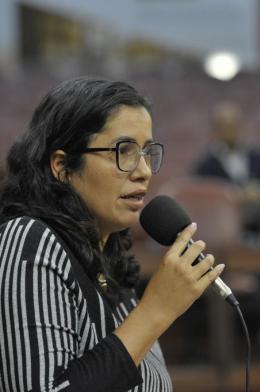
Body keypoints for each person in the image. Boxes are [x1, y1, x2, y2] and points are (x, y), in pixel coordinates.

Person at [0, 77, 225, 392]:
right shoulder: (29, 239)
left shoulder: (109, 257)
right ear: (62, 166)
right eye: (124, 150)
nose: (144, 170)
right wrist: (155, 310)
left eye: (147, 152)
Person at [193, 101, 260, 240]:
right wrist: (233, 197)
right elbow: (203, 201)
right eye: (224, 126)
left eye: (233, 125)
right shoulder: (204, 165)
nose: (230, 130)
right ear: (215, 129)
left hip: (259, 227)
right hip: (221, 229)